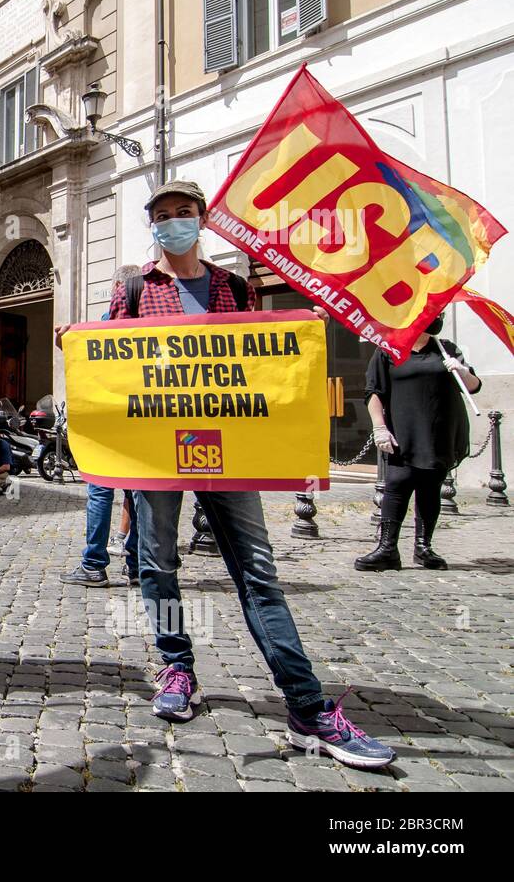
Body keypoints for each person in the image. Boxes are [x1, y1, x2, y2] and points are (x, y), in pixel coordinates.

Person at [75, 179, 395, 769]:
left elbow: (260, 363)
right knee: (158, 564)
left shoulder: (234, 286)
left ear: (202, 219)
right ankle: (177, 668)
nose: (173, 222)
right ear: (153, 225)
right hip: (155, 450)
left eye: (184, 213)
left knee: (257, 571)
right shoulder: (133, 288)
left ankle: (306, 705)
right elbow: (107, 362)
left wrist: (303, 336)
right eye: (162, 215)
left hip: (231, 447)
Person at [356, 312, 480, 572]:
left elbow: (473, 386)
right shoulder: (388, 350)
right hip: (404, 431)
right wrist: (380, 427)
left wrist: (462, 370)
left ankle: (424, 548)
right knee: (397, 484)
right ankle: (387, 548)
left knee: (430, 486)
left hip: (438, 431)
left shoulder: (446, 350)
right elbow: (374, 392)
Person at [63, 264, 143, 588]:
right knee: (138, 495)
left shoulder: (102, 327)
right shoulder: (152, 327)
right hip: (140, 422)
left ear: (115, 289)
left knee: (100, 493)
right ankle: (137, 566)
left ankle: (94, 564)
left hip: (107, 425)